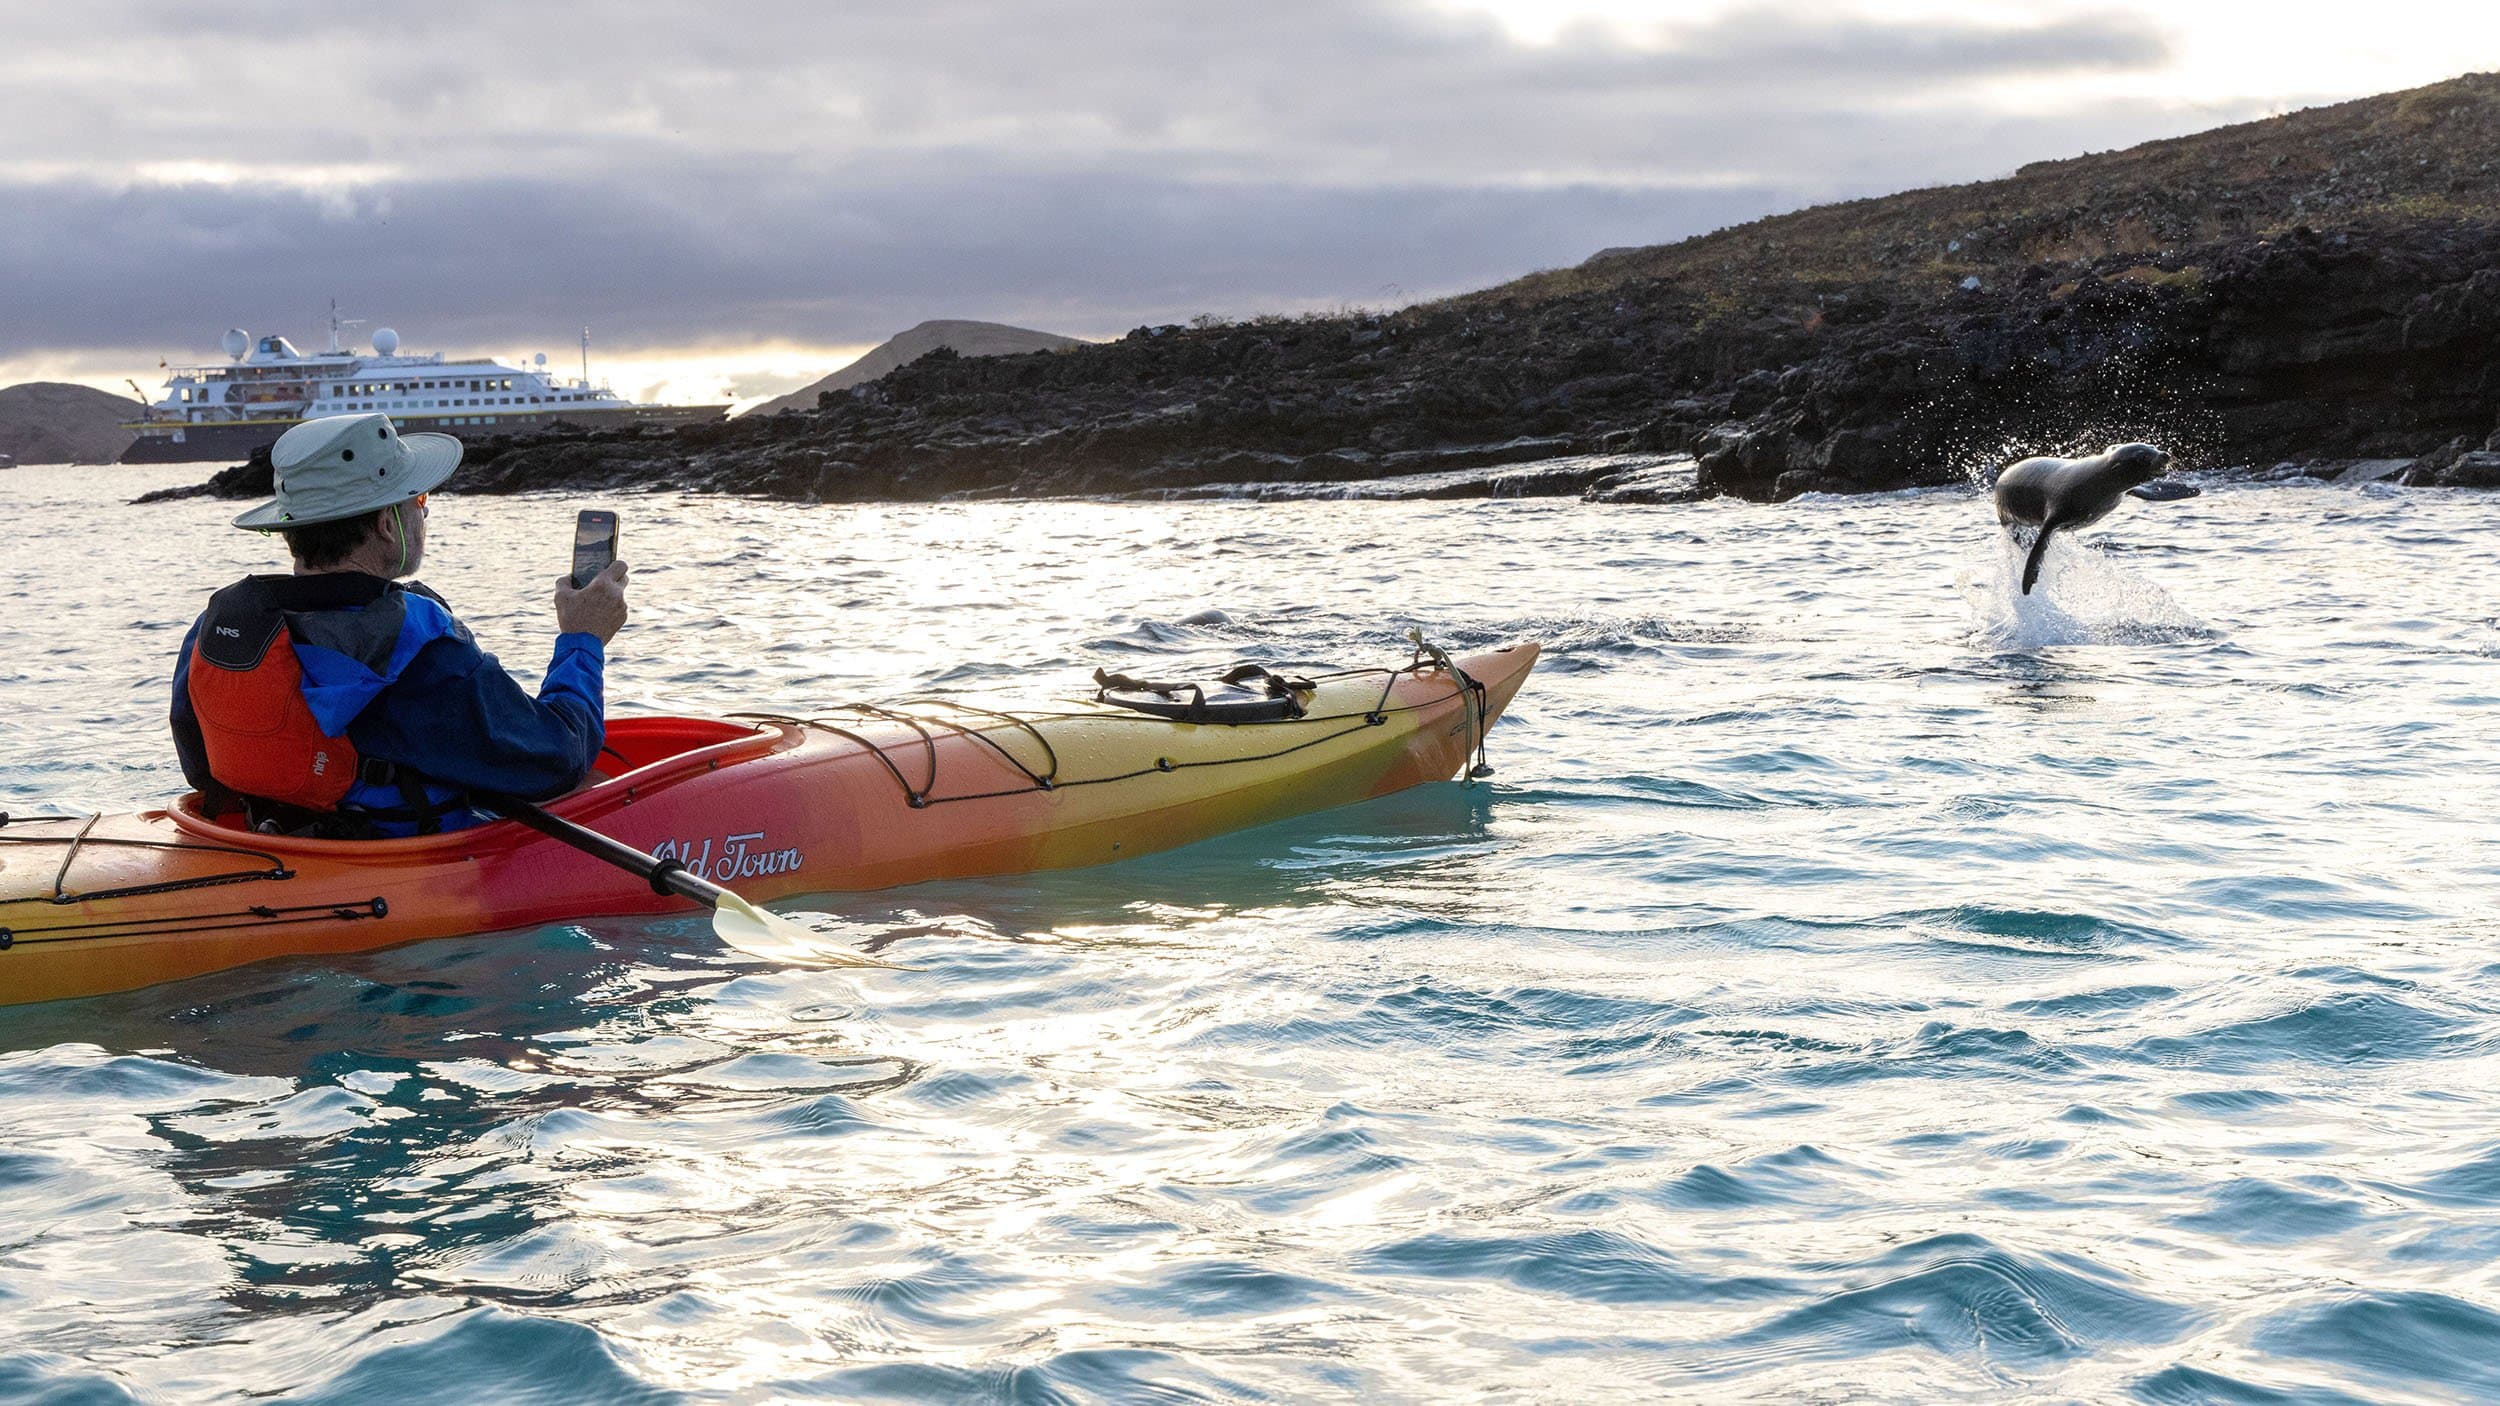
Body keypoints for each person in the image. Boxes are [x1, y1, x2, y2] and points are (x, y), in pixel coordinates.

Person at [169, 412, 630, 836]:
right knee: (593, 779)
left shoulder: (220, 623)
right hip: (391, 866)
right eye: (419, 498)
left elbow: (201, 770)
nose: (423, 512)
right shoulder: (418, 642)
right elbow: (560, 757)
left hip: (275, 841)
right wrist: (582, 637)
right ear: (387, 525)